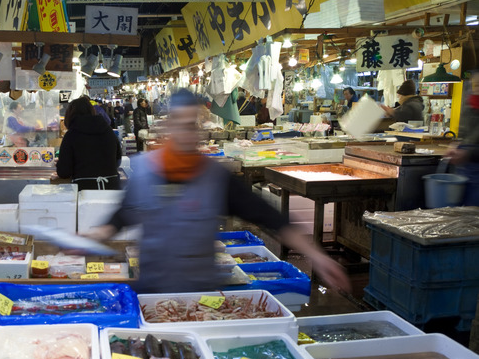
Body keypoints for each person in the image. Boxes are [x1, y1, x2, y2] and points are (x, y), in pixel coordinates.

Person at [89, 89, 351, 294]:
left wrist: (317, 255)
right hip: (151, 291)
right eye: (180, 123)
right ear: (169, 126)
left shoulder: (216, 178)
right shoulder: (144, 171)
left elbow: (270, 217)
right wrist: (94, 234)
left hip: (202, 296)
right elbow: (123, 215)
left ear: (200, 132)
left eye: (192, 125)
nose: (185, 133)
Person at [55, 97, 121, 191]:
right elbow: (118, 161)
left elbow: (64, 172)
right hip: (111, 189)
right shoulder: (108, 131)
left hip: (84, 191)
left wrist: (60, 164)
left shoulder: (71, 135)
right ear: (92, 111)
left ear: (70, 114)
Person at [446, 71, 479, 205]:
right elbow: (464, 132)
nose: (477, 90)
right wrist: (455, 145)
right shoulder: (471, 104)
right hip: (465, 170)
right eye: (475, 86)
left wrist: (469, 154)